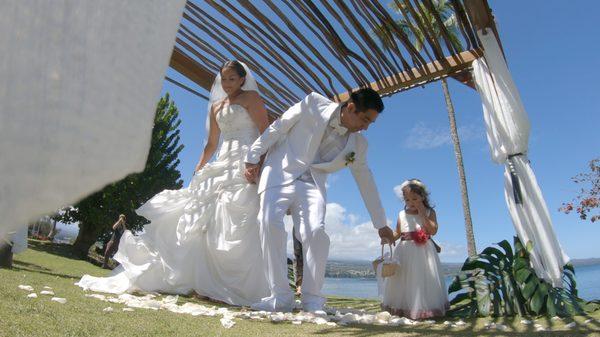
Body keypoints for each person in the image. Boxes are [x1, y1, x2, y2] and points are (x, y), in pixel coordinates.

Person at [78, 60, 270, 306]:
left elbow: (266, 132)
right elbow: (211, 144)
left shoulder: (251, 98)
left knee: (236, 218)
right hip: (222, 162)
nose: (227, 84)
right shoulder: (216, 106)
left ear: (242, 79)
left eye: (232, 79)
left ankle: (231, 286)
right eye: (224, 79)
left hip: (246, 162)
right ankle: (204, 282)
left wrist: (257, 162)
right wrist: (199, 168)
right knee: (201, 220)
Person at [244, 88, 395, 312]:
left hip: (312, 184)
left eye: (370, 123)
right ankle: (280, 296)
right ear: (351, 107)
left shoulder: (359, 146)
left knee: (316, 232)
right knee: (268, 223)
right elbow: (279, 126)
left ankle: (312, 299)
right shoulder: (313, 103)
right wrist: (253, 156)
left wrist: (381, 224)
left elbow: (366, 182)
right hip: (280, 171)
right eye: (365, 119)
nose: (365, 127)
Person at [381, 179, 449, 319]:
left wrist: (422, 213)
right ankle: (403, 308)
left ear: (423, 197)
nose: (411, 202)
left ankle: (424, 309)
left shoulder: (430, 212)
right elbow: (398, 232)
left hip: (424, 252)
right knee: (403, 279)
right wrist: (389, 238)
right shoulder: (401, 214)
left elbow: (433, 230)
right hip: (404, 251)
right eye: (407, 200)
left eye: (415, 199)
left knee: (422, 278)